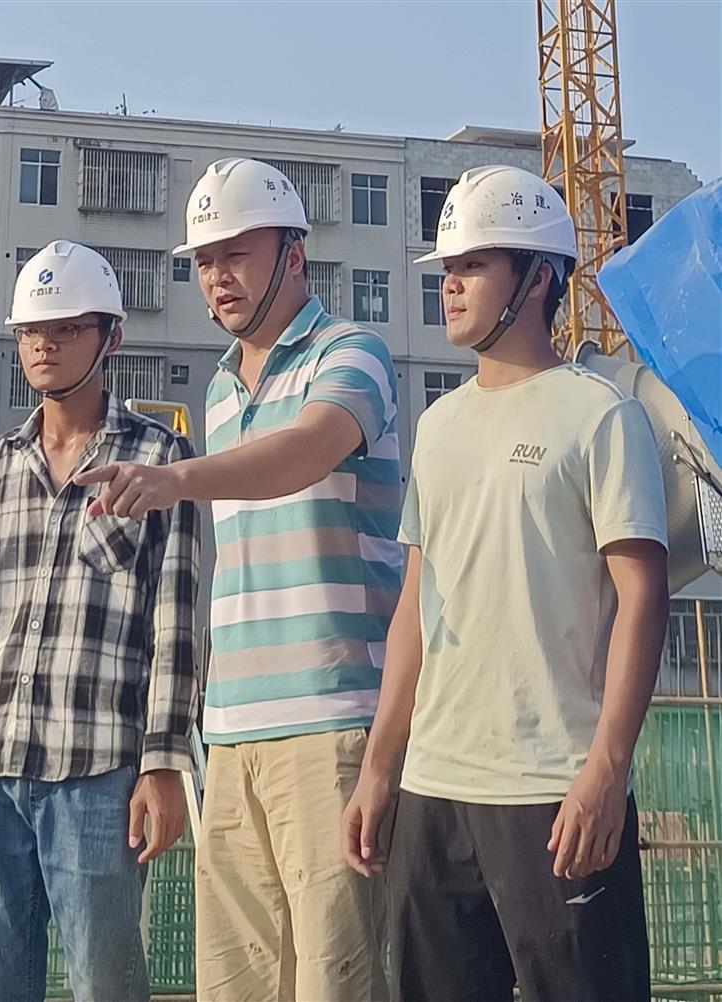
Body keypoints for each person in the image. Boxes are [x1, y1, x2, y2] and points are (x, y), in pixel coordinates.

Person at [76, 158, 402, 1001]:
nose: (217, 276)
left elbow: (306, 449)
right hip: (230, 731)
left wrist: (176, 478)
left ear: (294, 254)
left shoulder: (353, 354)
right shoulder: (221, 388)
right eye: (204, 260)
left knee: (335, 980)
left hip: (334, 721)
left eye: (236, 254)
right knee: (237, 985)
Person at [342, 165, 669, 1002]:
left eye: (474, 264)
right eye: (448, 267)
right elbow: (416, 608)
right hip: (435, 790)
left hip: (556, 789)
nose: (449, 283)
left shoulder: (601, 415)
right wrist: (381, 768)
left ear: (539, 278)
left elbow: (644, 597)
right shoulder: (437, 425)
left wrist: (606, 770)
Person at [0, 241, 200, 1002]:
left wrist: (162, 763)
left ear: (110, 337)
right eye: (31, 331)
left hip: (98, 767)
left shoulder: (160, 458)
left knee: (106, 981)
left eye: (68, 328)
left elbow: (175, 624)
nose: (44, 344)